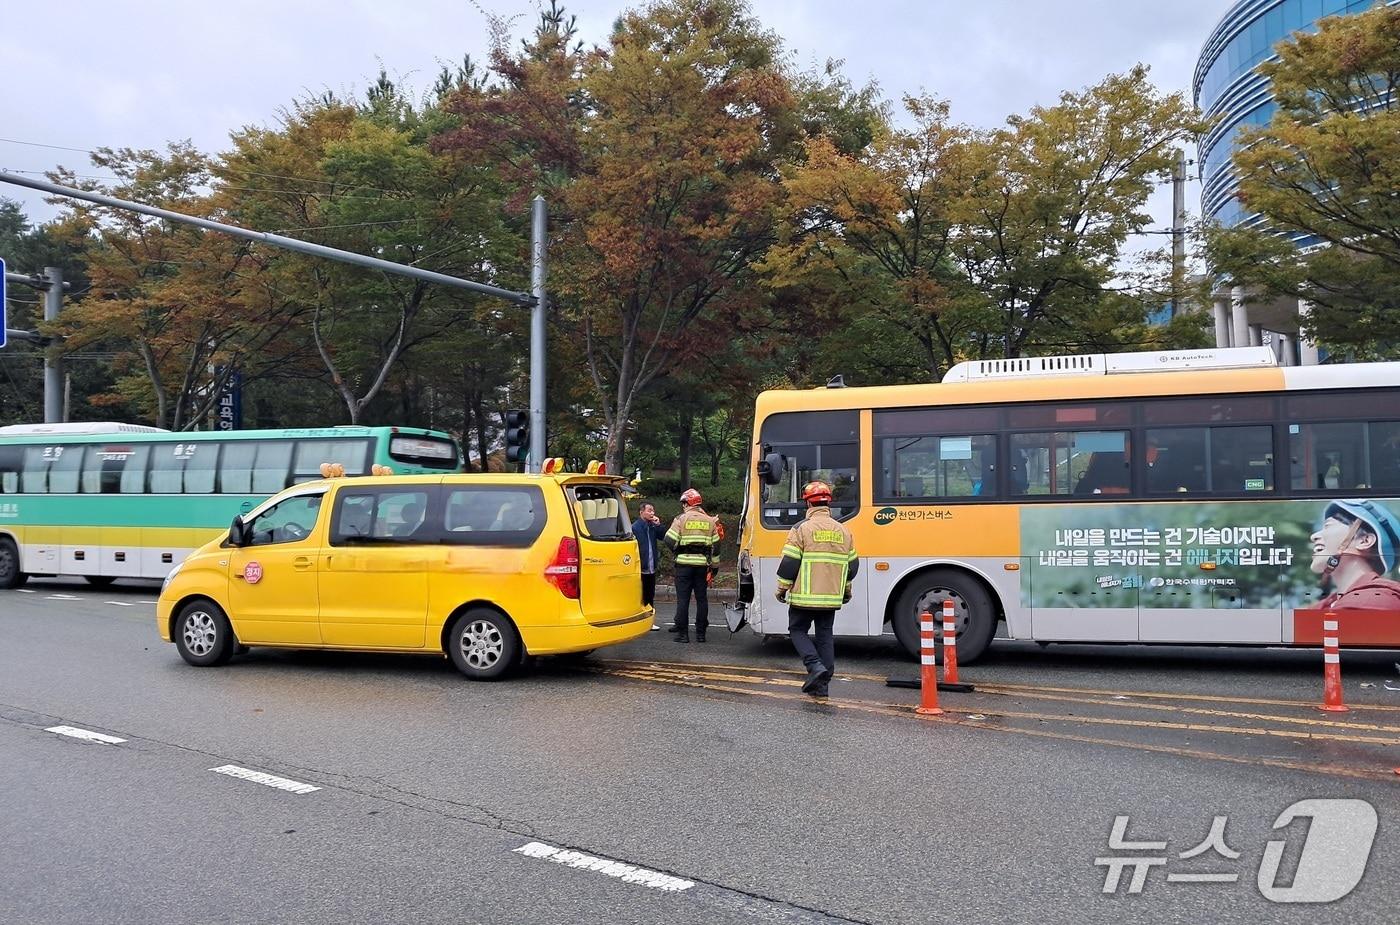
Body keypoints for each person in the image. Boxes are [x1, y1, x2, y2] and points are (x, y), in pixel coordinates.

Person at [775, 480, 858, 698]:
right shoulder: (844, 531)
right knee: (825, 636)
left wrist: (782, 589)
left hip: (804, 597)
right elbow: (851, 567)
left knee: (797, 630)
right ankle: (822, 686)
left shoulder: (801, 528)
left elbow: (789, 563)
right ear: (828, 503)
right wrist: (846, 591)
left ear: (808, 503)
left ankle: (814, 666)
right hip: (831, 598)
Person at [1309, 500, 1400, 610]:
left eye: (1328, 526)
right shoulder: (1330, 603)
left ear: (1364, 541)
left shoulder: (1374, 601)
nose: (1314, 536)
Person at [664, 488, 721, 643]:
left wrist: (678, 551)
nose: (683, 506)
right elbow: (716, 547)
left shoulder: (681, 519)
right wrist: (714, 567)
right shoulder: (710, 520)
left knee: (683, 600)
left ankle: (683, 635)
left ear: (687, 503)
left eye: (683, 503)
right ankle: (701, 634)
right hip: (701, 566)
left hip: (683, 565)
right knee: (702, 599)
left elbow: (668, 540)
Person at [631, 502, 666, 630]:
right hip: (640, 567)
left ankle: (649, 622)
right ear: (641, 512)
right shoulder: (635, 527)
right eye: (649, 510)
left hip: (651, 567)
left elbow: (663, 536)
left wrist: (658, 525)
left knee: (650, 594)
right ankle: (637, 621)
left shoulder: (652, 526)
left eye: (653, 510)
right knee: (639, 595)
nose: (652, 513)